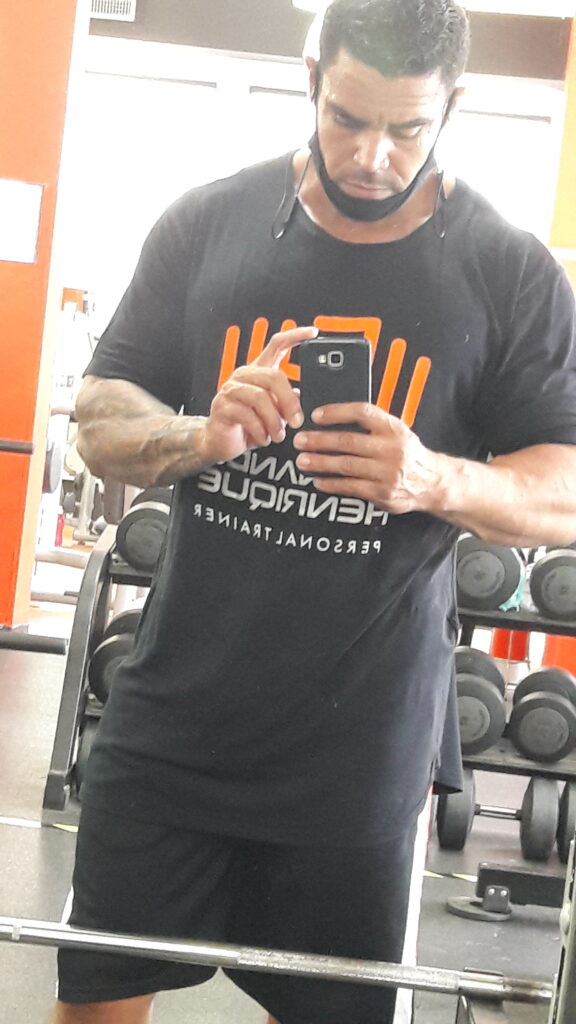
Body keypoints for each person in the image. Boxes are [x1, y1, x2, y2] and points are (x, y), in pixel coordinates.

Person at [54, 1, 576, 1022]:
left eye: (407, 129)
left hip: (356, 763)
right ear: (310, 80)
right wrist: (199, 434)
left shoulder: (510, 272)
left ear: (453, 105)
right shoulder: (207, 222)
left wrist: (431, 479)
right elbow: (99, 418)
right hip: (170, 731)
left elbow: (564, 491)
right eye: (348, 119)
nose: (373, 156)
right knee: (95, 1005)